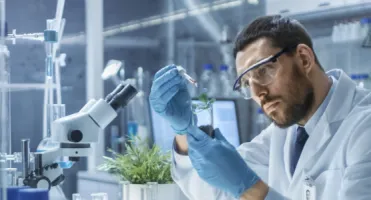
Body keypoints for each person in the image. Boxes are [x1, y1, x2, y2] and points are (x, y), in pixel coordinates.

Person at [149, 15, 371, 200]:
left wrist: (250, 188)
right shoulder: (283, 135)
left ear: (303, 59)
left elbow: (242, 187)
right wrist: (183, 132)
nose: (257, 94)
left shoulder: (364, 127)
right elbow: (216, 191)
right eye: (246, 84)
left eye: (262, 71)